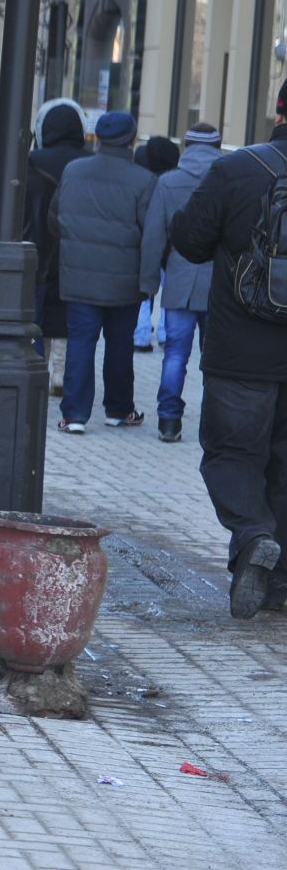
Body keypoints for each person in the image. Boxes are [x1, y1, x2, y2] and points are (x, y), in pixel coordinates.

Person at [171, 81, 287, 617]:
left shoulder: (237, 169)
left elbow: (190, 241)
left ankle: (253, 533)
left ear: (278, 110)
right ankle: (278, 583)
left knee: (232, 453)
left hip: (241, 349)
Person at [51, 110, 155, 433]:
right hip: (125, 279)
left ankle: (75, 414)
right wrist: (148, 281)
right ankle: (118, 409)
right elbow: (150, 233)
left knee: (81, 341)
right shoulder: (143, 179)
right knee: (120, 344)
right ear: (130, 140)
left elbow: (56, 215)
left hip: (79, 273)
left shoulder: (74, 171)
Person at [141, 123, 221, 442]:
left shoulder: (168, 182)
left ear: (186, 146)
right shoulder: (227, 181)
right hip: (220, 285)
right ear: (217, 148)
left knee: (175, 354)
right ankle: (214, 424)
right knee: (216, 358)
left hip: (180, 280)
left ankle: (169, 420)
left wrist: (148, 283)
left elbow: (153, 237)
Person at [25, 102, 89, 395]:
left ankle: (39, 367)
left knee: (37, 312)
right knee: (68, 314)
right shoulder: (88, 162)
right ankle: (61, 372)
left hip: (39, 246)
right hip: (78, 247)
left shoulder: (32, 161)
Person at [134, 136, 181, 350]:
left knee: (145, 292)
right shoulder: (174, 182)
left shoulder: (144, 179)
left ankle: (141, 334)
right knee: (168, 292)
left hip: (146, 242)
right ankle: (165, 331)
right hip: (173, 245)